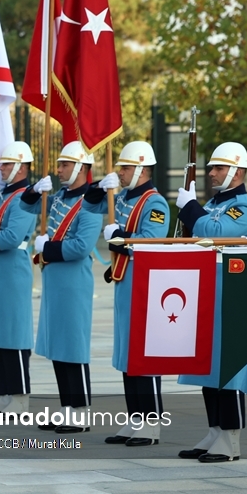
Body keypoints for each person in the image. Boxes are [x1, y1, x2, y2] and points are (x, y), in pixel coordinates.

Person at [175, 142, 247, 462]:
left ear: (237, 172)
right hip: (205, 292)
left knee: (228, 367)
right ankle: (215, 429)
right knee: (207, 366)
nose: (211, 173)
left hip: (229, 295)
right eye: (211, 168)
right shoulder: (212, 204)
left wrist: (190, 208)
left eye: (219, 168)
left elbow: (216, 232)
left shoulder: (244, 207)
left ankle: (231, 437)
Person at [82, 140, 170, 446]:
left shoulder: (154, 203)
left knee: (144, 355)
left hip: (145, 284)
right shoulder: (122, 198)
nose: (120, 171)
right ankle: (136, 418)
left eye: (127, 167)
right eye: (120, 166)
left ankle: (152, 422)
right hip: (124, 282)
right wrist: (96, 187)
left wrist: (120, 236)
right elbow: (89, 205)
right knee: (128, 354)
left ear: (143, 169)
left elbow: (152, 241)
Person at [23, 142, 103, 432]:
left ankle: (80, 412)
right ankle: (67, 407)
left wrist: (50, 248)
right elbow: (24, 205)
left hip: (73, 281)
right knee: (58, 346)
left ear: (81, 168)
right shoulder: (56, 198)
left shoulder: (92, 200)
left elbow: (82, 246)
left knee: (73, 347)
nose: (58, 170)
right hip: (54, 279)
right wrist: (33, 190)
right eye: (58, 164)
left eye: (64, 164)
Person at [0, 141, 39, 416]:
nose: (0, 168)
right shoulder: (5, 195)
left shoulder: (26, 196)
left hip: (12, 269)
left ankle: (19, 396)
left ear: (22, 167)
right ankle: (5, 393)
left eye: (6, 164)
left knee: (13, 333)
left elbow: (12, 237)